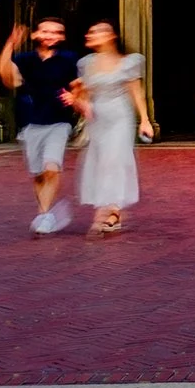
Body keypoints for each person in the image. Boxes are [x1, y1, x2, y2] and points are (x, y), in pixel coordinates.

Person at [69, 20, 152, 237]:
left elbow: (136, 92)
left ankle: (106, 212)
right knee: (99, 160)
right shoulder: (86, 63)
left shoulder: (128, 62)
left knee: (113, 160)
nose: (91, 35)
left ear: (110, 35)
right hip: (97, 117)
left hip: (119, 117)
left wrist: (144, 120)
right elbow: (85, 93)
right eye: (90, 31)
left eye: (96, 31)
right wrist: (79, 100)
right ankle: (111, 208)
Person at [0, 17, 78, 234]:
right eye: (46, 31)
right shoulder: (25, 59)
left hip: (59, 121)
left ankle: (44, 214)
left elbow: (79, 85)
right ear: (35, 35)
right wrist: (10, 45)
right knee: (38, 174)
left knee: (51, 167)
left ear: (62, 36)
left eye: (56, 32)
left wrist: (75, 97)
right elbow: (8, 79)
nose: (51, 35)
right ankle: (47, 213)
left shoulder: (68, 60)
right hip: (31, 121)